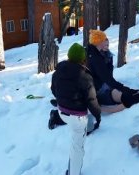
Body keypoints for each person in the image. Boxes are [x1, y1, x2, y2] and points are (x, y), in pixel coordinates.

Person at [51, 43, 101, 175]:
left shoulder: (58, 71)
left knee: (76, 140)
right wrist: (98, 115)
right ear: (83, 60)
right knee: (78, 148)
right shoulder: (85, 76)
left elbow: (53, 90)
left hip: (62, 111)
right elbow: (92, 101)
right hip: (77, 118)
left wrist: (63, 100)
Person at [86, 30, 139, 106]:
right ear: (99, 41)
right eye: (103, 39)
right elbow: (107, 78)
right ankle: (137, 97)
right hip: (96, 91)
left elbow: (107, 75)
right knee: (118, 93)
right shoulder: (95, 57)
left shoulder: (93, 52)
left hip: (98, 85)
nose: (106, 41)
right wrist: (127, 90)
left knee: (115, 89)